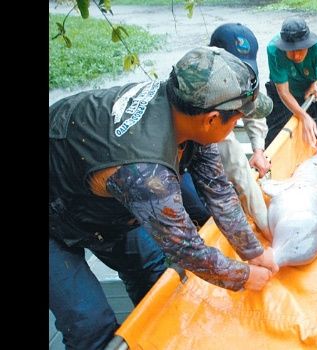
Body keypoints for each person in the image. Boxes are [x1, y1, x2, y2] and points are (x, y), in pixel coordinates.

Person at [49, 46, 279, 350]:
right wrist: (246, 276)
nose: (235, 125)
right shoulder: (145, 173)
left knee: (157, 279)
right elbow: (188, 250)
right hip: (57, 219)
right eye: (236, 119)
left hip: (101, 205)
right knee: (90, 325)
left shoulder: (188, 108)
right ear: (211, 119)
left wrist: (253, 251)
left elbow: (219, 191)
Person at [209, 22, 272, 238]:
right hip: (180, 153)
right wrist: (266, 228)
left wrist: (258, 151)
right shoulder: (205, 87)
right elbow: (236, 163)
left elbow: (254, 110)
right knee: (201, 207)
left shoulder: (246, 73)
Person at [264, 16, 317, 161]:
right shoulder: (274, 50)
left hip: (310, 86)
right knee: (276, 136)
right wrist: (303, 116)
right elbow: (283, 91)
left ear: (308, 44)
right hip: (283, 91)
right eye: (290, 50)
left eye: (300, 49)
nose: (296, 55)